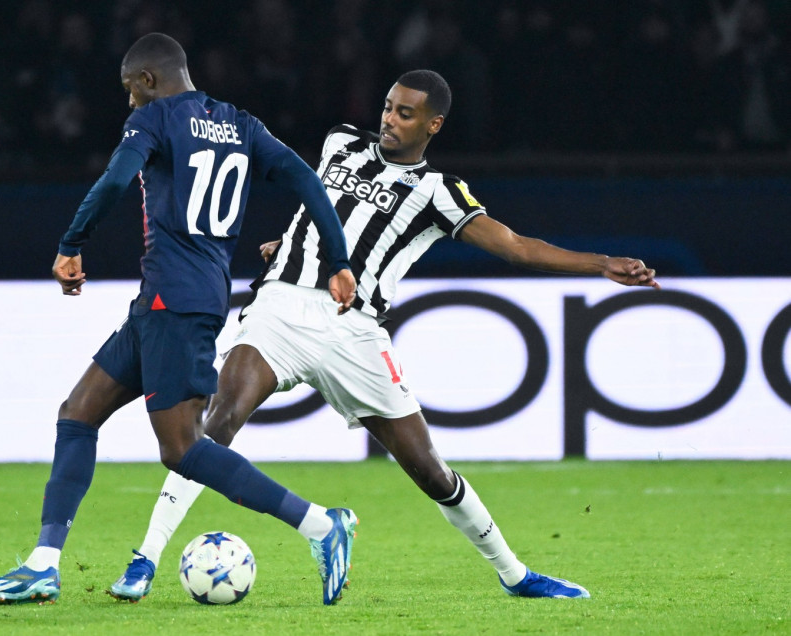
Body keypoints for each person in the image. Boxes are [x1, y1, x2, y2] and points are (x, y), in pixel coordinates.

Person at [108, 69, 660, 602]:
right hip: (280, 309)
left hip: (355, 334)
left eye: (405, 113)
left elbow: (515, 245)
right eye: (388, 107)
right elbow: (317, 206)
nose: (390, 119)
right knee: (216, 421)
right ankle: (145, 559)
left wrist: (602, 263)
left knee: (430, 470)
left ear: (433, 125)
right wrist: (291, 243)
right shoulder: (340, 143)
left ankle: (515, 574)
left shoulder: (439, 191)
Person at [0, 33, 359, 606]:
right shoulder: (242, 124)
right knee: (77, 414)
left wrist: (72, 243)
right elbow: (305, 177)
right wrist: (339, 259)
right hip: (167, 301)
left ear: (149, 80)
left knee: (182, 449)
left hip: (176, 305)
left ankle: (322, 526)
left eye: (131, 90)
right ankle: (43, 564)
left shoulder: (153, 121)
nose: (129, 103)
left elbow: (116, 180)